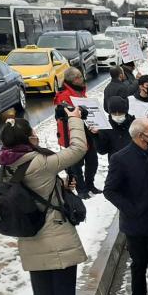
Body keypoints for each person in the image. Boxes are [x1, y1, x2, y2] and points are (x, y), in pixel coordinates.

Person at [0, 113, 88, 295]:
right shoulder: (40, 162)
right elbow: (79, 148)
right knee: (63, 290)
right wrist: (74, 120)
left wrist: (59, 187)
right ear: (29, 138)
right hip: (54, 235)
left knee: (43, 293)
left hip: (29, 236)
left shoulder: (6, 165)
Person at [103, 118, 148, 295]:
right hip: (135, 223)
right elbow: (110, 190)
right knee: (139, 262)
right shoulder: (120, 159)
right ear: (141, 137)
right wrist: (132, 209)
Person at [54, 67, 100, 199]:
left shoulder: (79, 92)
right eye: (79, 77)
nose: (82, 79)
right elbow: (63, 114)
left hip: (87, 131)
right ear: (73, 80)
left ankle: (90, 184)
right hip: (72, 134)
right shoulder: (63, 96)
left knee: (92, 160)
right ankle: (82, 189)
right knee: (76, 165)